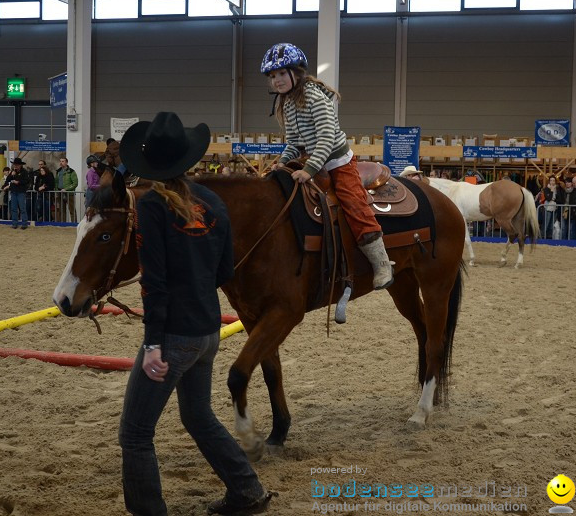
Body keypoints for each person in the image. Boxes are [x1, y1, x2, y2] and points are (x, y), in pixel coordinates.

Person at [118, 112, 273, 516]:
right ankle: (247, 491)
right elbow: (225, 271)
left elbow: (153, 281)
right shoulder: (214, 202)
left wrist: (153, 343)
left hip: (172, 336)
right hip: (207, 330)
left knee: (135, 433)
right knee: (199, 416)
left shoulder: (152, 206)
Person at [261, 42, 394, 291]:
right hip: (308, 158)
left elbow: (326, 138)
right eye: (271, 76)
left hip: (335, 160)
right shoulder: (286, 102)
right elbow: (293, 143)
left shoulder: (313, 97)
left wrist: (309, 170)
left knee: (352, 202)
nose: (276, 80)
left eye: (280, 73)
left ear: (296, 72)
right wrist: (279, 165)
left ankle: (381, 262)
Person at [6, 158, 31, 229]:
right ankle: (14, 224)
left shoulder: (25, 172)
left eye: (17, 165)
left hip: (21, 192)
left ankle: (24, 224)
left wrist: (18, 182)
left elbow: (27, 181)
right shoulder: (12, 171)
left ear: (20, 165)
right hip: (14, 192)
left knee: (22, 208)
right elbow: (7, 180)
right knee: (13, 208)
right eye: (15, 164)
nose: (15, 166)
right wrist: (11, 175)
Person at [55, 157, 78, 222]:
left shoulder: (71, 171)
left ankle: (74, 224)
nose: (61, 163)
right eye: (60, 161)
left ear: (66, 162)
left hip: (69, 193)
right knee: (61, 210)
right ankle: (62, 224)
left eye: (62, 161)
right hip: (60, 193)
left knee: (72, 210)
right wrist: (57, 191)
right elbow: (56, 182)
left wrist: (66, 189)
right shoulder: (58, 171)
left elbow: (75, 183)